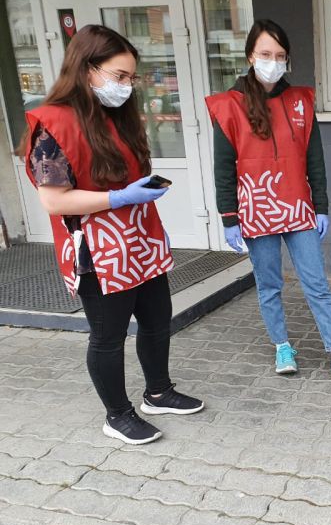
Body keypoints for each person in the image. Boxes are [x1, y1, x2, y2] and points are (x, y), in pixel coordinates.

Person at [21, 25, 204, 445]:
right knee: (108, 337)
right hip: (98, 255)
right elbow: (55, 201)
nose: (126, 86)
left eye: (130, 78)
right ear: (88, 70)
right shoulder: (53, 125)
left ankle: (158, 392)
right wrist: (120, 196)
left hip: (139, 243)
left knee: (158, 323)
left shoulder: (115, 117)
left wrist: (139, 190)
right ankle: (117, 415)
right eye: (119, 76)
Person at [206, 19, 331, 383]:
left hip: (297, 207)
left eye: (279, 55)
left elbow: (315, 159)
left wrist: (320, 206)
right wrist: (229, 217)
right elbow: (223, 167)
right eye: (265, 54)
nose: (272, 62)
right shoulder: (229, 107)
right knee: (269, 284)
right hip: (256, 209)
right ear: (249, 56)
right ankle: (282, 346)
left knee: (316, 283)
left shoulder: (301, 101)